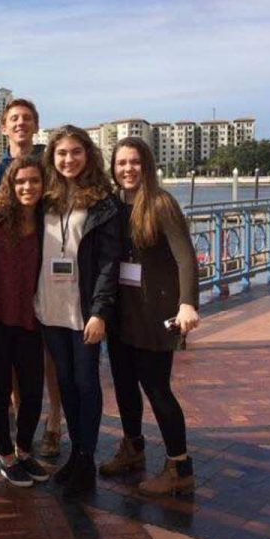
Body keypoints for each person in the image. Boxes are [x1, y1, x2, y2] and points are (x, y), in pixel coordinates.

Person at [100, 137, 199, 496]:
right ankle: (132, 447)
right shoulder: (112, 204)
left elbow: (185, 256)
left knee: (157, 389)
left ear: (147, 165)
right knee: (124, 385)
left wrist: (187, 303)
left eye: (135, 162)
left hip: (156, 312)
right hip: (122, 311)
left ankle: (179, 465)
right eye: (121, 162)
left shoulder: (160, 203)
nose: (128, 169)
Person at [35, 125, 122, 498]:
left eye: (75, 152)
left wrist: (100, 312)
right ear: (52, 158)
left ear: (88, 155)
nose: (68, 160)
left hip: (83, 310)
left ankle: (86, 456)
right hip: (49, 307)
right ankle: (76, 452)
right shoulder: (45, 198)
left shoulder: (103, 201)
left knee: (87, 384)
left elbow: (108, 263)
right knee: (66, 385)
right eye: (61, 154)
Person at [0, 98, 62, 459]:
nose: (21, 123)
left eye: (27, 118)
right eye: (14, 118)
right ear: (4, 126)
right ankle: (8, 452)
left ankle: (49, 425)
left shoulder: (51, 172)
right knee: (3, 386)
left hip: (38, 303)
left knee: (40, 376)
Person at [0, 155, 49, 487]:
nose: (27, 187)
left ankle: (23, 451)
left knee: (33, 391)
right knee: (0, 392)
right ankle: (5, 457)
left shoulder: (47, 219)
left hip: (32, 317)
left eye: (34, 180)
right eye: (20, 181)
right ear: (10, 184)